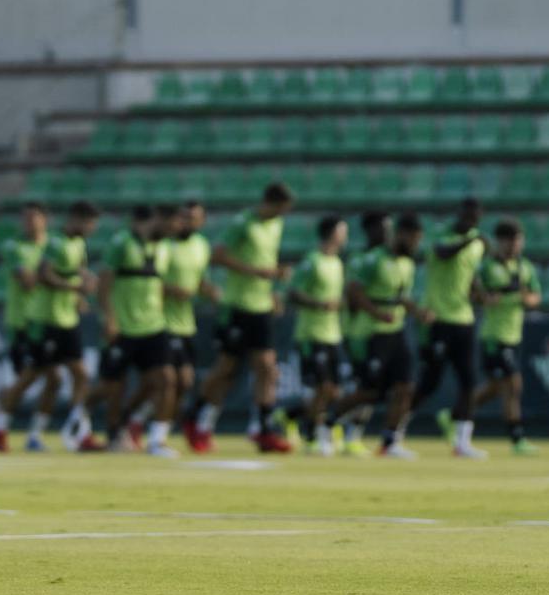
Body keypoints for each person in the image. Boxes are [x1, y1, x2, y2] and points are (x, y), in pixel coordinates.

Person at [183, 184, 294, 454]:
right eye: (280, 209)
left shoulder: (276, 225)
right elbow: (218, 256)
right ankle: (195, 416)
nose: (282, 214)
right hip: (236, 306)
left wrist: (274, 290)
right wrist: (257, 272)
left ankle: (263, 429)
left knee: (267, 367)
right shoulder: (243, 223)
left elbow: (268, 259)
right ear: (269, 203)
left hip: (261, 305)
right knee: (226, 370)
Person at [0, 201, 101, 452]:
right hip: (43, 319)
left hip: (66, 319)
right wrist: (75, 287)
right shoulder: (51, 244)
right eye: (90, 223)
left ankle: (67, 431)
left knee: (71, 376)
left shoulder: (77, 244)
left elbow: (76, 270)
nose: (92, 229)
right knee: (32, 377)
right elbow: (40, 277)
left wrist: (81, 291)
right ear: (76, 219)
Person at [332, 211, 431, 459]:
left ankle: (390, 441)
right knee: (370, 391)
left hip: (396, 331)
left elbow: (401, 297)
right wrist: (376, 313)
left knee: (405, 387)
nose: (416, 244)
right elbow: (354, 293)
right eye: (414, 238)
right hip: (371, 332)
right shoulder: (372, 259)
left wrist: (417, 312)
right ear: (402, 235)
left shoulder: (407, 264)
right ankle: (325, 420)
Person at [122, 202, 217, 449]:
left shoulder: (201, 246)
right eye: (183, 217)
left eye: (193, 218)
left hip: (186, 322)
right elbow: (151, 279)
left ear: (202, 221)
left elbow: (200, 279)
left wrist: (211, 292)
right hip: (161, 320)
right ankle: (139, 425)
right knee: (168, 379)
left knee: (179, 383)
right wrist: (171, 290)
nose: (186, 222)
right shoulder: (164, 246)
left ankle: (138, 420)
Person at [94, 205, 178, 457]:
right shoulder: (121, 244)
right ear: (157, 220)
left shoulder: (165, 248)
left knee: (166, 379)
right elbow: (104, 285)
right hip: (124, 325)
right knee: (114, 386)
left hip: (154, 325)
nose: (175, 229)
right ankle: (110, 432)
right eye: (171, 223)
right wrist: (109, 319)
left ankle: (157, 440)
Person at [0, 203, 61, 452]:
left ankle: (0, 418)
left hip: (48, 320)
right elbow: (27, 282)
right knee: (32, 376)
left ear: (46, 220)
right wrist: (57, 276)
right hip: (22, 321)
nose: (29, 223)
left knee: (49, 379)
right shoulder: (14, 247)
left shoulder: (53, 246)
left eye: (34, 218)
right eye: (25, 218)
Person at [411, 197, 487, 459]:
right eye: (467, 216)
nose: (470, 222)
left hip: (463, 319)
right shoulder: (442, 234)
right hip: (438, 318)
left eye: (475, 218)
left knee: (469, 381)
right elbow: (443, 253)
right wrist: (471, 241)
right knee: (429, 383)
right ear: (459, 215)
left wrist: (479, 293)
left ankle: (462, 441)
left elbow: (470, 274)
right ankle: (393, 432)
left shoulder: (476, 243)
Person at [472, 218, 542, 456]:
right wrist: (485, 298)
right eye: (508, 241)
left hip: (514, 334)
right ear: (499, 242)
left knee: (494, 388)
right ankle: (517, 438)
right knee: (513, 384)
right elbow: (474, 292)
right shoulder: (488, 267)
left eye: (517, 241)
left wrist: (526, 299)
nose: (513, 246)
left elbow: (535, 297)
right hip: (494, 335)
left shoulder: (525, 268)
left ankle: (457, 414)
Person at [283, 215, 348, 456]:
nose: (346, 236)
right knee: (323, 386)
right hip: (311, 333)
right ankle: (316, 434)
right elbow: (294, 293)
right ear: (332, 233)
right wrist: (319, 304)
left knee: (333, 391)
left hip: (332, 333)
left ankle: (293, 416)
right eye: (343, 231)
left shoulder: (337, 263)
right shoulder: (312, 261)